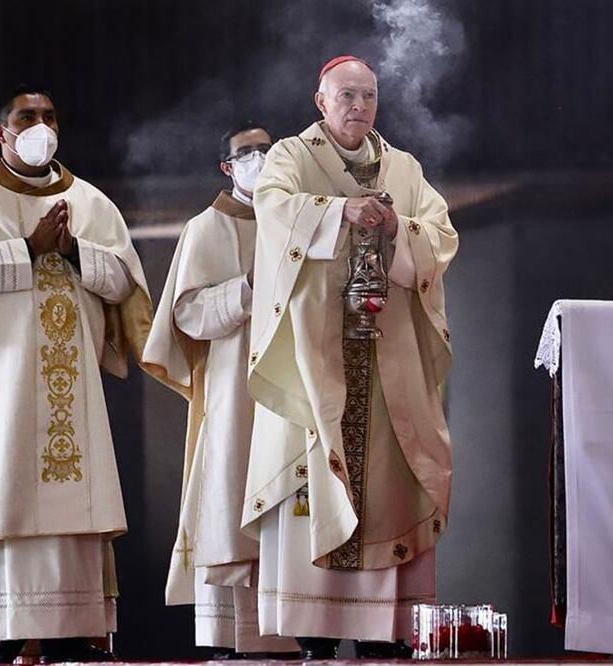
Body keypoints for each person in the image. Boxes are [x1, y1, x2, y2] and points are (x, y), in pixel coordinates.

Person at [0, 85, 157, 664]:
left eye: (48, 116)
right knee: (7, 496)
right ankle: (6, 627)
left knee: (78, 502)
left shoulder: (92, 201)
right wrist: (26, 246)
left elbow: (124, 284)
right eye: (27, 117)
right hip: (5, 383)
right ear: (3, 132)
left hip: (78, 391)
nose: (40, 124)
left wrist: (72, 253)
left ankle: (77, 630)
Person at [241, 55, 458, 658]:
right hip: (315, 357)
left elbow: (440, 235)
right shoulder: (291, 156)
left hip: (385, 356)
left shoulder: (404, 167)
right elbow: (273, 206)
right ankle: (315, 630)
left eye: (368, 96)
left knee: (390, 476)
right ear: (321, 102)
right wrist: (341, 211)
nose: (358, 107)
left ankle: (382, 628)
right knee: (314, 471)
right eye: (346, 96)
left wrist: (397, 228)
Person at [142, 121, 297, 658]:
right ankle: (243, 640)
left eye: (267, 151)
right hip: (237, 392)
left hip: (297, 390)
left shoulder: (302, 218)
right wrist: (248, 288)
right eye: (245, 154)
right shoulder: (206, 228)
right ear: (228, 168)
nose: (258, 159)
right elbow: (186, 314)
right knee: (235, 496)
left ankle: (300, 629)